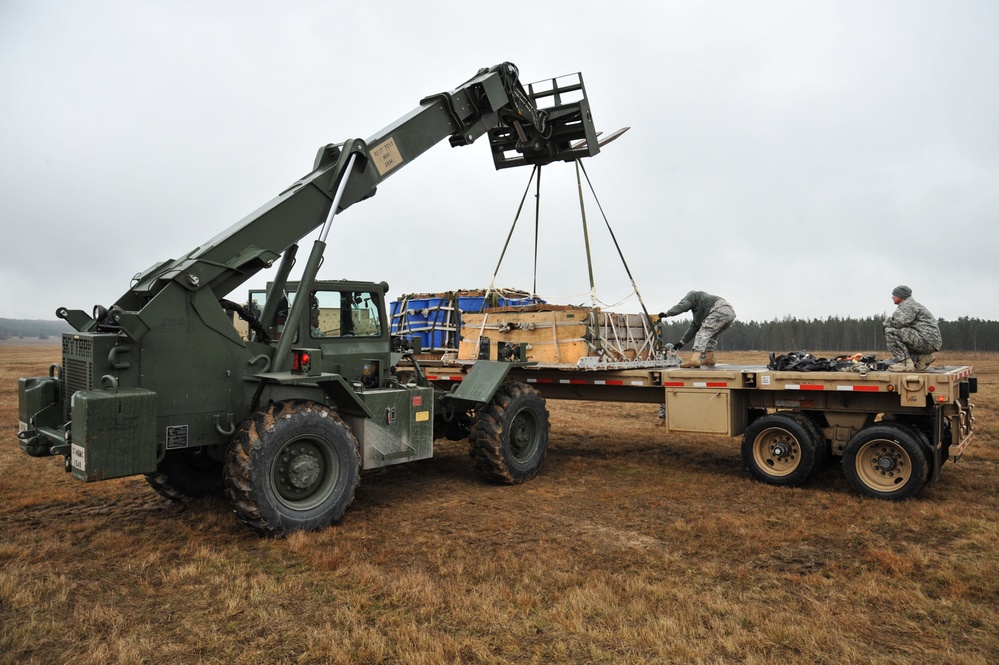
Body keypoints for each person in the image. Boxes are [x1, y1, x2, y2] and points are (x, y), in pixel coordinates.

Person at [659, 290, 736, 368]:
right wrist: (681, 343)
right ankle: (710, 358)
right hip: (730, 313)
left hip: (719, 310)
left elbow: (682, 306)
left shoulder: (692, 295)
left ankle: (695, 359)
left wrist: (667, 314)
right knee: (712, 334)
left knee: (703, 333)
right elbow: (695, 326)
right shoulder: (702, 306)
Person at [883, 285, 942, 371]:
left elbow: (897, 323)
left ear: (900, 296)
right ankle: (923, 358)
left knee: (890, 331)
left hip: (925, 340)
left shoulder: (907, 305)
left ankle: (905, 364)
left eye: (894, 295)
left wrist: (886, 322)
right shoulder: (912, 305)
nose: (892, 297)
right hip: (929, 341)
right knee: (902, 338)